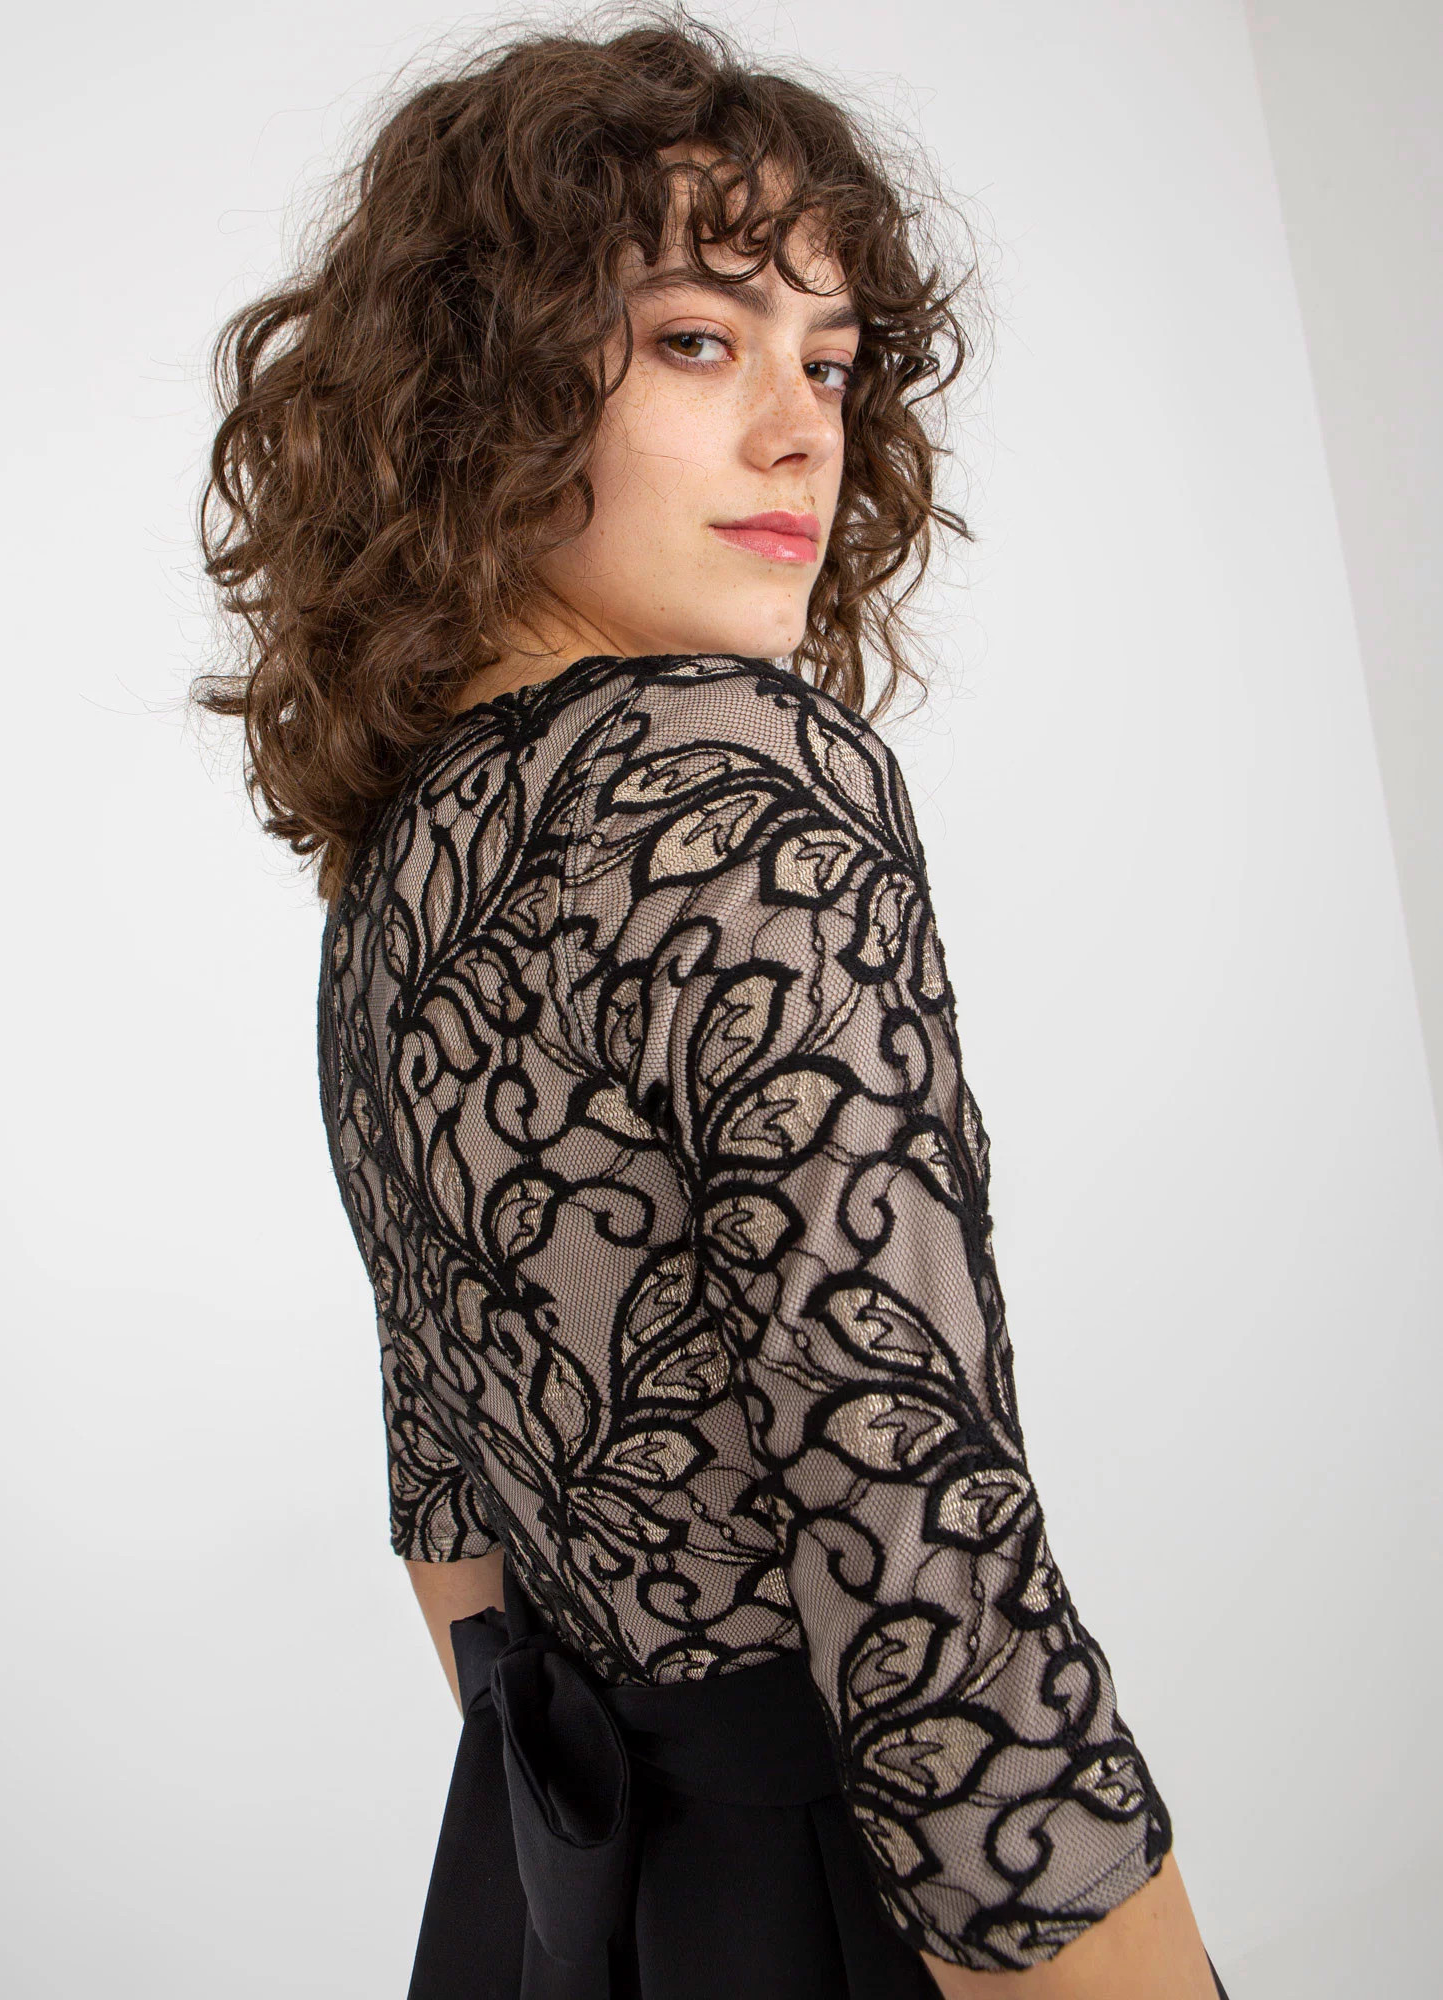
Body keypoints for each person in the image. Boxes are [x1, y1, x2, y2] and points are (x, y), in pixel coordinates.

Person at [194, 11, 1228, 1996]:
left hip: (569, 1893)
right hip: (870, 1898)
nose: (800, 428)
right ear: (486, 382)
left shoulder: (398, 863)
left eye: (827, 361)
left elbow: (450, 1526)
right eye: (698, 339)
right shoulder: (733, 774)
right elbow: (933, 1579)